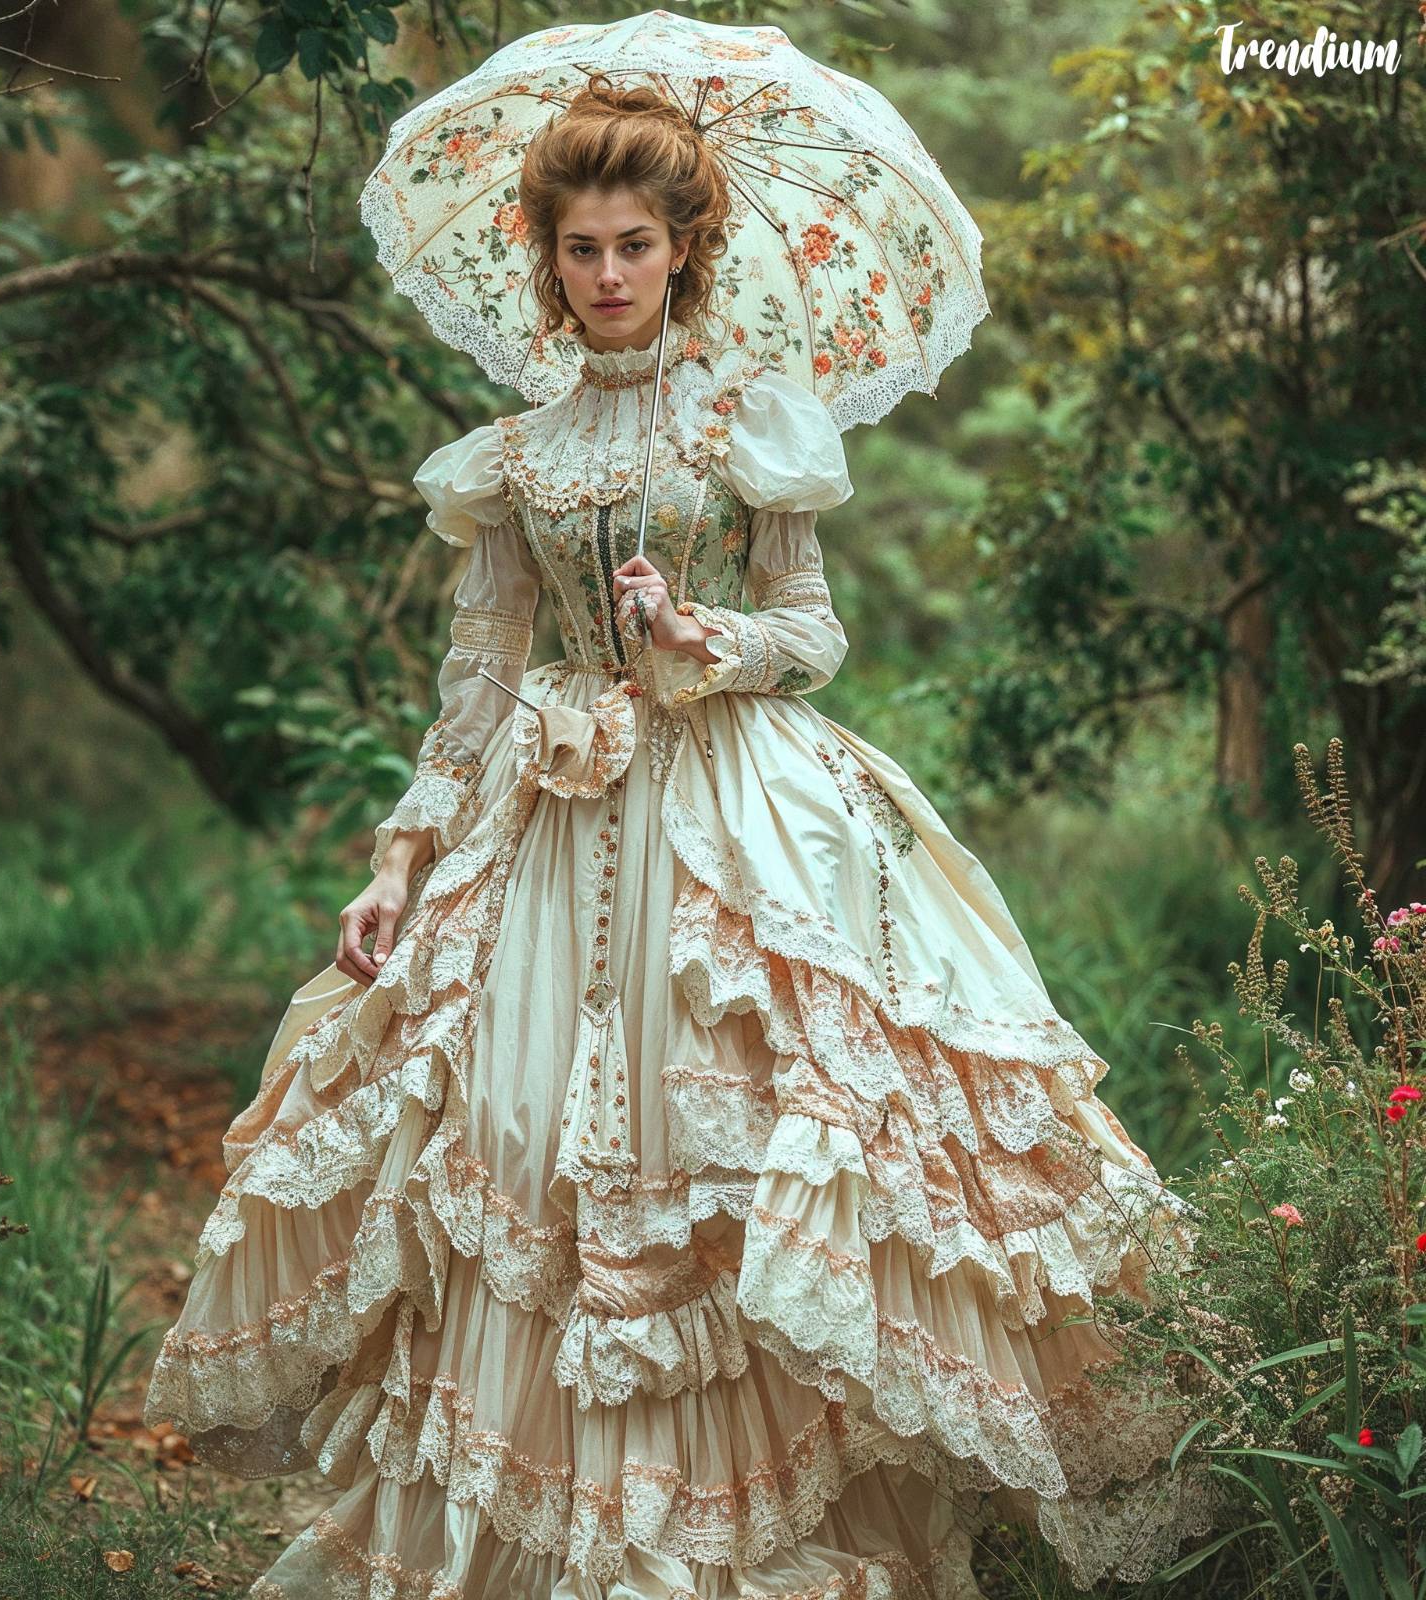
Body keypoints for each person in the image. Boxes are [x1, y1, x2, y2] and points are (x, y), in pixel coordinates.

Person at [144, 77, 1213, 1600]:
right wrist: (398, 862)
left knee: (737, 1144)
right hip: (547, 822)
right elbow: (476, 691)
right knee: (512, 1142)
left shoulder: (749, 422)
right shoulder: (512, 457)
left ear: (684, 249)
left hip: (730, 807)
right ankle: (525, 1529)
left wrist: (698, 629)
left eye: (635, 243)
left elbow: (813, 632)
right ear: (545, 255)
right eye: (579, 247)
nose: (607, 275)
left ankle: (743, 1518)